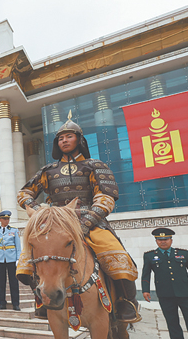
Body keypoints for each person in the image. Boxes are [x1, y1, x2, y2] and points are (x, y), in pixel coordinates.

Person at [16, 112, 141, 323]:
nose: (64, 140)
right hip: (55, 224)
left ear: (79, 140)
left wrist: (86, 223)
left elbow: (106, 196)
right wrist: (39, 211)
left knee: (116, 254)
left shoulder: (95, 165)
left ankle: (127, 302)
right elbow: (24, 194)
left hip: (90, 221)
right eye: (61, 138)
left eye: (69, 136)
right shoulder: (48, 170)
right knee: (26, 262)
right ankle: (44, 299)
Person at [0, 210, 21, 311]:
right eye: (4, 219)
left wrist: (18, 258)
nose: (6, 220)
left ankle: (15, 303)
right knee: (1, 282)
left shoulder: (14, 230)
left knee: (14, 282)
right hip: (0, 260)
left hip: (12, 259)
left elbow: (18, 246)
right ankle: (2, 303)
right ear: (0, 220)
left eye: (8, 219)